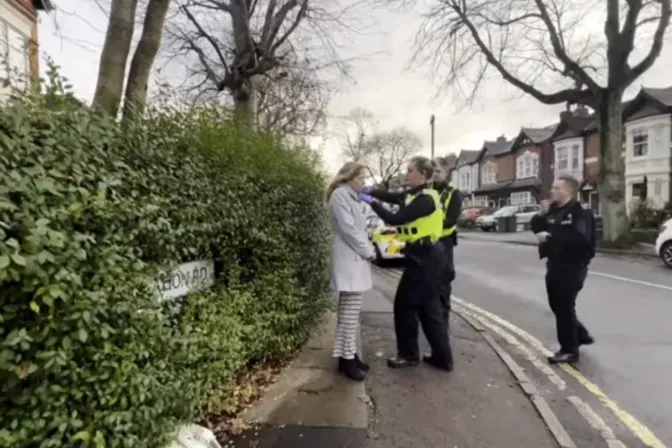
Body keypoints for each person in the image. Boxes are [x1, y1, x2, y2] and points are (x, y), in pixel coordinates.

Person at [359, 156, 453, 371]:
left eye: (410, 171)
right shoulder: (414, 195)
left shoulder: (426, 200)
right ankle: (442, 357)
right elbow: (392, 197)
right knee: (429, 308)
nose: (407, 174)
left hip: (426, 256)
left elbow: (396, 219)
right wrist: (371, 191)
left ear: (422, 174)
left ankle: (409, 355)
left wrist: (371, 202)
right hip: (424, 254)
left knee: (404, 305)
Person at [530, 175, 596, 365]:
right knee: (556, 305)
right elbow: (536, 227)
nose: (552, 191)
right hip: (555, 263)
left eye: (556, 188)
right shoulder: (553, 209)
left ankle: (569, 350)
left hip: (573, 266)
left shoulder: (580, 212)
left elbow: (581, 239)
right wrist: (541, 214)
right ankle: (580, 335)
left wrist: (550, 237)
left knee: (564, 306)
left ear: (568, 191)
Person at [327, 162, 376, 381]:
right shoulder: (340, 196)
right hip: (350, 260)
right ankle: (346, 360)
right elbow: (349, 230)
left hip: (354, 260)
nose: (364, 183)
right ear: (348, 177)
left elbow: (361, 228)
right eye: (361, 179)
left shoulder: (351, 197)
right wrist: (369, 251)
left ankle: (347, 355)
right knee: (348, 315)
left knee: (350, 314)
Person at [431, 159, 462, 326]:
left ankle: (443, 324)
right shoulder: (428, 190)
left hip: (444, 242)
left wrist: (430, 225)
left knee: (443, 283)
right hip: (428, 241)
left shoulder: (452, 192)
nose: (435, 175)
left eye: (438, 172)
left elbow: (451, 219)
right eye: (432, 172)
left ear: (446, 172)